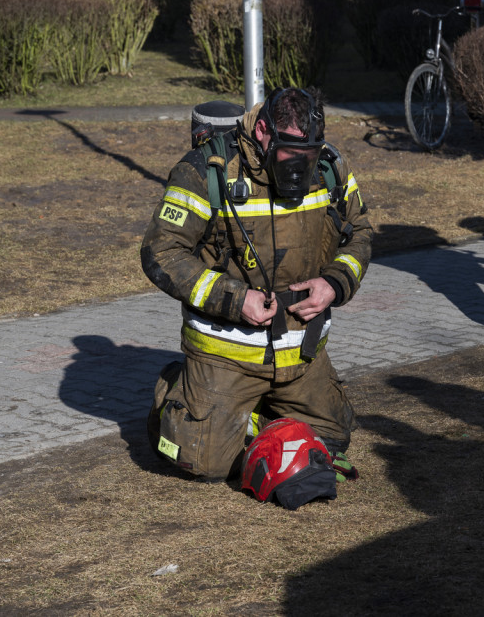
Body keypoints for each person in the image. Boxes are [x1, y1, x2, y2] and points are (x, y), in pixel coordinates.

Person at [142, 88, 373, 482]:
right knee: (205, 464)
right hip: (226, 356)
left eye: (308, 153)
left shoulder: (329, 166)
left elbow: (361, 231)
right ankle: (174, 395)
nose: (300, 166)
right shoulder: (207, 171)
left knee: (332, 439)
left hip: (301, 356)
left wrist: (335, 283)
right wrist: (235, 299)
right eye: (290, 153)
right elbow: (160, 252)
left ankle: (254, 412)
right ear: (263, 131)